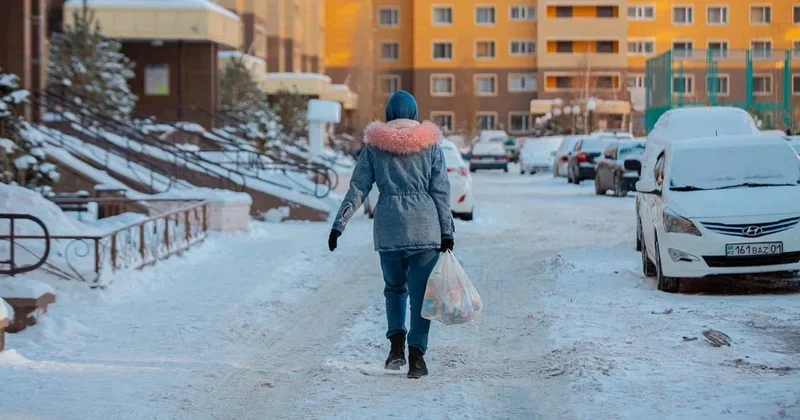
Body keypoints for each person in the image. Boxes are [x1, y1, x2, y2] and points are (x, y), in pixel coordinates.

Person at [328, 90, 454, 379]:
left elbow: (359, 188)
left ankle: (396, 347)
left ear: (388, 113)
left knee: (395, 289)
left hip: (389, 229)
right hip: (425, 228)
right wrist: (446, 230)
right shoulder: (431, 146)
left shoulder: (374, 147)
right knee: (421, 296)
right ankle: (417, 358)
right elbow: (441, 191)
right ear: (414, 113)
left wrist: (339, 224)